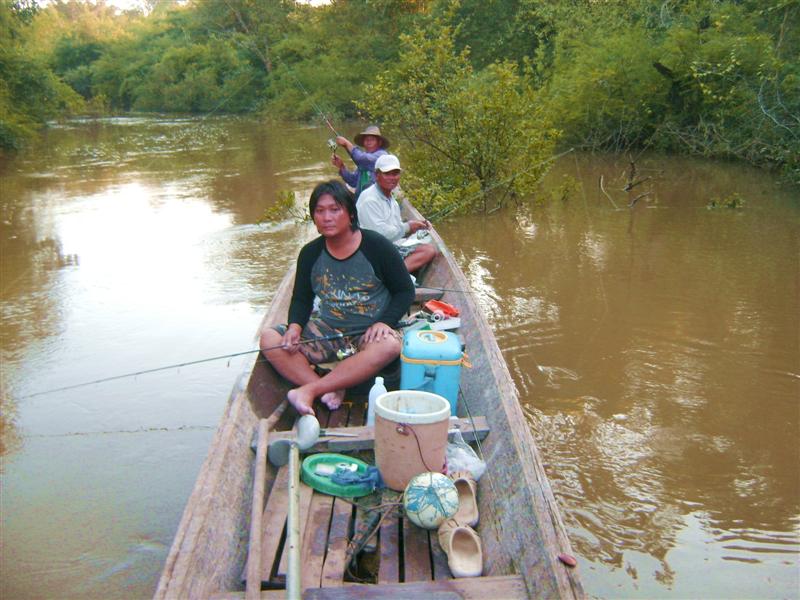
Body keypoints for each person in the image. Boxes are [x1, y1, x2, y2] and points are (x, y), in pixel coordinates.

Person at [259, 180, 415, 416]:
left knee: (390, 345)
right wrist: (294, 326)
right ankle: (327, 388)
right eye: (319, 211)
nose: (327, 217)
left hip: (369, 333)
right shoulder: (310, 253)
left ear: (350, 214)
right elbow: (302, 298)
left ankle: (313, 388)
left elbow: (405, 291)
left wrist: (384, 322)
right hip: (329, 330)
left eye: (335, 209)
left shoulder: (377, 246)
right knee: (271, 339)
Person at [357, 154, 437, 274]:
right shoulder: (369, 199)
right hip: (372, 254)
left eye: (395, 174)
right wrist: (408, 227)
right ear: (376, 175)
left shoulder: (391, 200)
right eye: (387, 174)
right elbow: (380, 235)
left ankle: (393, 273)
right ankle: (392, 276)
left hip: (388, 249)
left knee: (428, 250)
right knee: (428, 251)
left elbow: (395, 229)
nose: (392, 178)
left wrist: (414, 227)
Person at [331, 125, 389, 200]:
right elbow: (353, 181)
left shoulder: (381, 155)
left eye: (372, 139)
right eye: (366, 140)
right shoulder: (363, 164)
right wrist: (342, 167)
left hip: (377, 200)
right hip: (363, 201)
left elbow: (362, 159)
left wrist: (346, 144)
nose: (368, 142)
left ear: (379, 142)